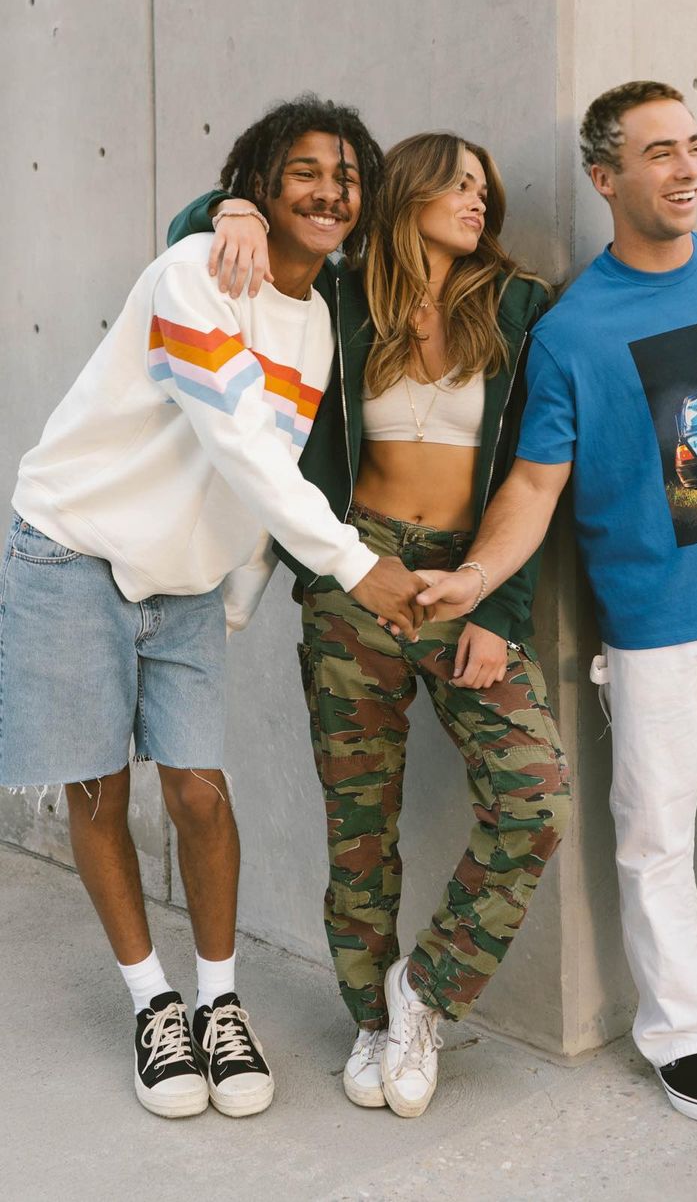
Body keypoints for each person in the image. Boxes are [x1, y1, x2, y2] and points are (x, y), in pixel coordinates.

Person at [416, 81, 697, 1123]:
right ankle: (680, 1034)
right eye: (662, 152)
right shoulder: (570, 332)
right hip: (657, 625)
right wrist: (478, 576)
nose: (690, 167)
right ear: (604, 177)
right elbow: (534, 486)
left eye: (696, 145)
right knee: (655, 835)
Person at [0, 96, 425, 1120]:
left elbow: (272, 467)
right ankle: (154, 1004)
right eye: (304, 171)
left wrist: (236, 598)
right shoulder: (195, 273)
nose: (329, 192)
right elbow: (236, 434)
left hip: (184, 581)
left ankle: (219, 1003)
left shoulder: (321, 319)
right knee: (100, 791)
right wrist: (354, 564)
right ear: (259, 185)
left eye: (347, 176)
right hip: (73, 549)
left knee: (199, 793)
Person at [169, 131, 570, 1120]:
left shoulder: (519, 308)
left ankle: (421, 994)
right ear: (407, 192)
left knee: (535, 796)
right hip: (353, 576)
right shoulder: (341, 297)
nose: (479, 200)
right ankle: (367, 1017)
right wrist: (229, 208)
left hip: (463, 581)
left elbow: (533, 479)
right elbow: (191, 245)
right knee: (359, 826)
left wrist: (498, 609)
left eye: (485, 186)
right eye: (458, 183)